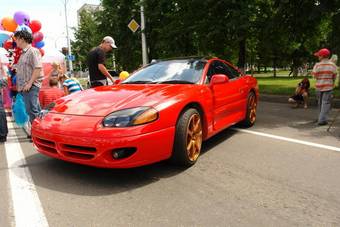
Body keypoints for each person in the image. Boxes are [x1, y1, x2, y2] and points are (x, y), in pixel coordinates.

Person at [14, 30, 43, 128]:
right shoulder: (23, 53)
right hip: (25, 87)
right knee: (33, 110)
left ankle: (38, 132)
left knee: (32, 110)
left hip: (31, 86)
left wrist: (30, 83)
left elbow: (38, 67)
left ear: (22, 39)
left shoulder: (33, 51)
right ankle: (39, 131)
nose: (16, 42)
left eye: (17, 39)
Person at [312, 48, 337, 126]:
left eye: (318, 55)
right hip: (328, 87)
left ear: (322, 56)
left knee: (320, 103)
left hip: (319, 87)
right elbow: (334, 76)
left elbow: (314, 76)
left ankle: (321, 118)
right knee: (325, 103)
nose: (318, 57)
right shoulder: (333, 65)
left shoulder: (317, 65)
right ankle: (322, 119)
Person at [0, 64, 9, 143]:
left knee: (1, 113)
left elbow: (4, 83)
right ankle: (3, 134)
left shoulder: (3, 69)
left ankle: (3, 134)